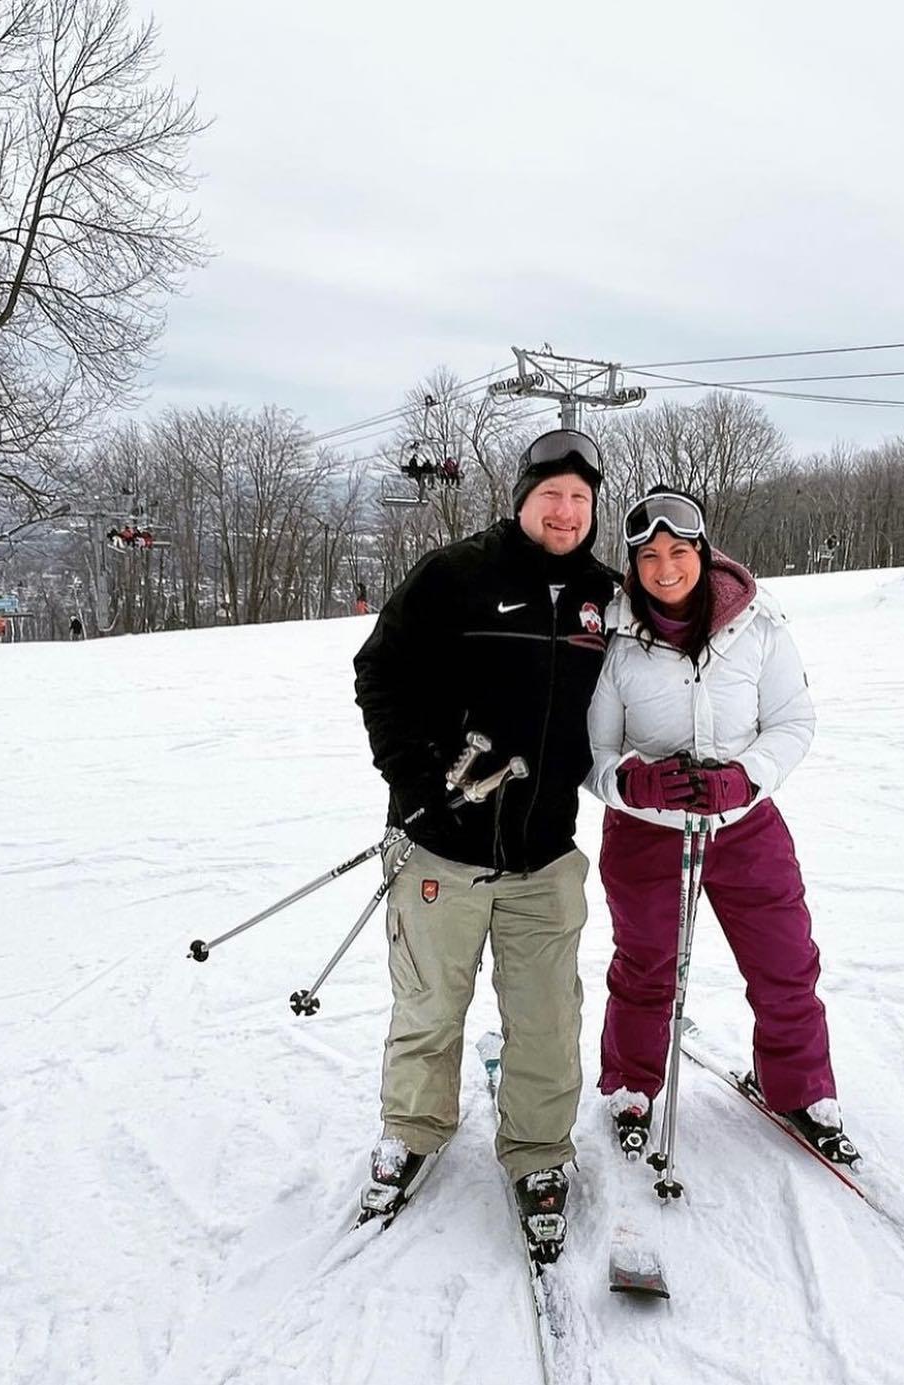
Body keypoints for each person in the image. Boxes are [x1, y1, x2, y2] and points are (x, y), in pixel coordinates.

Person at [352, 427, 617, 1262]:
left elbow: (677, 632)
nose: (566, 510)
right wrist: (415, 772)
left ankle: (539, 1150)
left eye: (580, 498)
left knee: (546, 1016)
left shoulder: (605, 598)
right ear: (522, 500)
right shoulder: (454, 574)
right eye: (551, 495)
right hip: (442, 846)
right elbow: (380, 672)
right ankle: (414, 1128)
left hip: (546, 850)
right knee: (430, 1003)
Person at [585, 487, 860, 1165]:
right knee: (647, 965)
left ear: (702, 554)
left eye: (678, 551)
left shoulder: (757, 625)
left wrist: (745, 777)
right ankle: (630, 1084)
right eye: (649, 556)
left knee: (784, 960)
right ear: (633, 565)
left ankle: (795, 1085)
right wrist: (633, 782)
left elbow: (793, 721)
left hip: (744, 825)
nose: (665, 567)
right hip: (647, 831)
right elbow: (590, 756)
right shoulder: (613, 640)